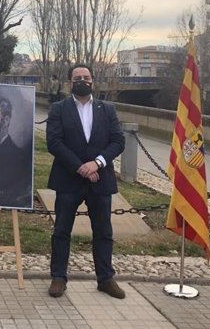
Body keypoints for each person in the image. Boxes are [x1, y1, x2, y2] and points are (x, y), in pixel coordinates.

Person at [46, 64, 126, 300]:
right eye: (78, 77)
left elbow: (118, 141)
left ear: (93, 81)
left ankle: (106, 279)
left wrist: (97, 163)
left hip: (100, 179)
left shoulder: (107, 109)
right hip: (68, 179)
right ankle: (58, 277)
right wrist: (81, 167)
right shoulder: (59, 109)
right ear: (70, 82)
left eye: (87, 77)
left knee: (103, 231)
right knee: (61, 231)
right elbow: (54, 142)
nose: (83, 80)